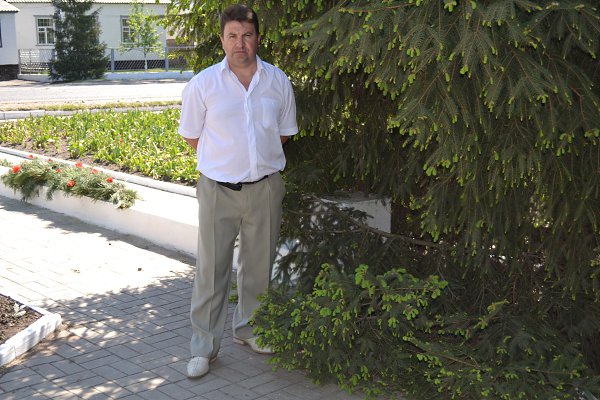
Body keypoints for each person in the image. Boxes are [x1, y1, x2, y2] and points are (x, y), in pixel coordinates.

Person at [178, 4, 298, 379]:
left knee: (258, 266)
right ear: (222, 40)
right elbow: (192, 137)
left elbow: (282, 134)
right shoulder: (203, 85)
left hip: (265, 189)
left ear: (258, 38)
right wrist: (227, 163)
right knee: (211, 270)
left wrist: (252, 164)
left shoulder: (277, 81)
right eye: (232, 36)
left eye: (247, 35)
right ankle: (203, 347)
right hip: (218, 191)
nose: (240, 43)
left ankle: (250, 329)